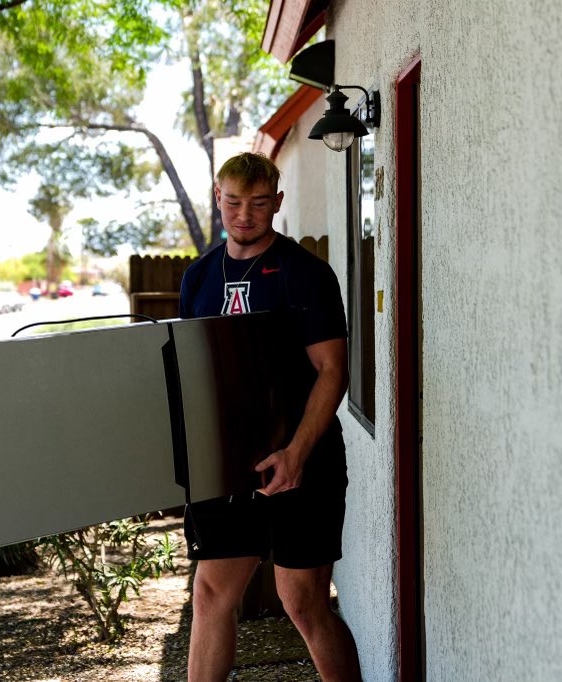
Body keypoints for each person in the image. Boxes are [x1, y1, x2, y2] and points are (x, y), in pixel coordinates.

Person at [179, 152, 362, 681]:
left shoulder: (307, 275)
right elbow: (193, 373)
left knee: (302, 601)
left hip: (305, 459)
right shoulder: (198, 278)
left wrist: (297, 454)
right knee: (211, 592)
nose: (244, 215)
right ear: (218, 198)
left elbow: (332, 372)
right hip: (230, 467)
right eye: (233, 202)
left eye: (259, 204)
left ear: (277, 203)